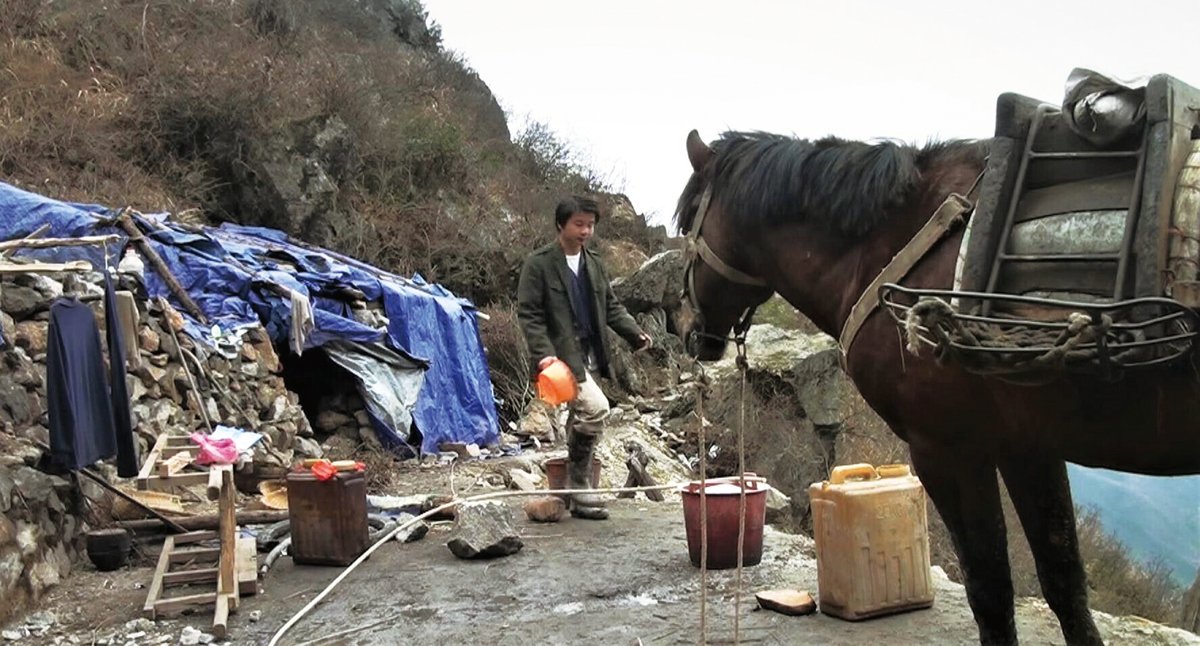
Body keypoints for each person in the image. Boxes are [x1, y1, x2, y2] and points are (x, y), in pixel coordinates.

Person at [517, 196, 652, 519]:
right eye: (579, 224)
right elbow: (530, 314)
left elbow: (612, 306)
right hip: (562, 359)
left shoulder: (594, 264)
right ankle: (579, 482)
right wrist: (544, 356)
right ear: (560, 224)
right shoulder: (539, 264)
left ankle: (572, 493)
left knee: (579, 416)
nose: (585, 231)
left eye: (590, 225)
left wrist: (635, 333)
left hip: (593, 352)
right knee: (596, 409)